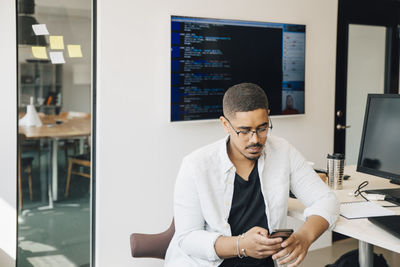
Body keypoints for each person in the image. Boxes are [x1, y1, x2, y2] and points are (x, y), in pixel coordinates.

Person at [165, 83, 339, 267]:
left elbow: (327, 200)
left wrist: (304, 237)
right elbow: (188, 238)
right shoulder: (196, 165)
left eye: (263, 128)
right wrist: (241, 245)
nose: (255, 139)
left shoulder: (283, 151)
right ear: (225, 124)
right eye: (245, 131)